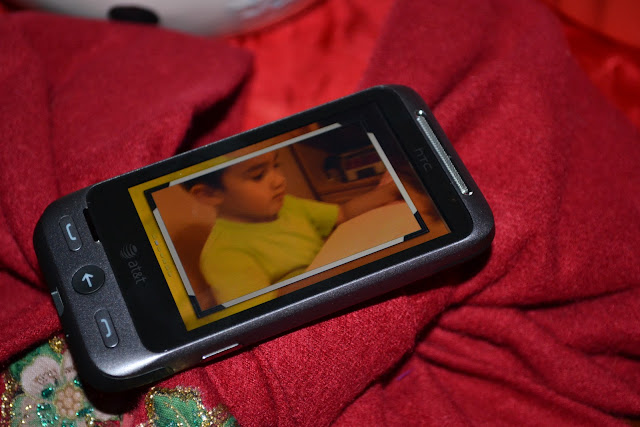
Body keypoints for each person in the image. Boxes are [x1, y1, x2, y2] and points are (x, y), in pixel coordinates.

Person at [184, 150, 401, 308]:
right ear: (210, 194)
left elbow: (342, 213)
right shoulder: (222, 254)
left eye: (276, 165)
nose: (280, 180)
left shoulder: (288, 204)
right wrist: (339, 269)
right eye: (258, 175)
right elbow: (263, 314)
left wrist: (390, 191)